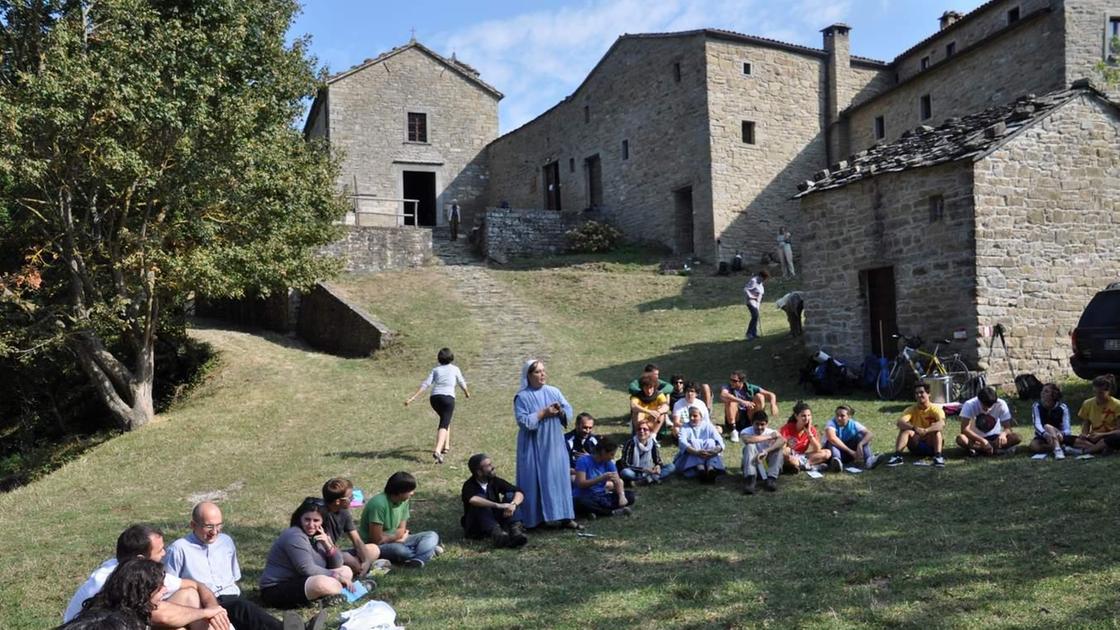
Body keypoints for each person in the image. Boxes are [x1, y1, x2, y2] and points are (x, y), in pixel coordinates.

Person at [164, 502, 325, 630]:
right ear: (193, 525)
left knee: (248, 613)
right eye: (208, 527)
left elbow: (233, 577)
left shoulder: (226, 542)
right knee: (243, 609)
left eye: (218, 525)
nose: (214, 532)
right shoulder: (179, 549)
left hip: (231, 596)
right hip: (205, 603)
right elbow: (170, 588)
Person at [64, 524, 230, 629]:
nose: (165, 554)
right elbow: (162, 615)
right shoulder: (107, 582)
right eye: (160, 551)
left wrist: (214, 612)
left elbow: (195, 585)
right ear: (140, 560)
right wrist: (205, 612)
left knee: (188, 595)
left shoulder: (139, 574)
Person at [514, 358, 580, 529]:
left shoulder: (554, 391)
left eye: (543, 371)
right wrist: (543, 413)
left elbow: (569, 411)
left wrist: (560, 411)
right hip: (532, 445)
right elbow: (524, 422)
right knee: (533, 480)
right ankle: (534, 519)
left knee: (558, 477)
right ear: (528, 376)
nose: (542, 374)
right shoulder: (522, 397)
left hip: (554, 443)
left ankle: (564, 515)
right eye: (537, 371)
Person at [259, 499, 354, 609]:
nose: (311, 525)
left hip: (304, 579)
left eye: (316, 520)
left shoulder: (319, 535)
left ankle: (334, 593)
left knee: (346, 571)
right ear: (300, 519)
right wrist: (335, 576)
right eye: (307, 520)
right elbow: (306, 569)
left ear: (322, 521)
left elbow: (337, 564)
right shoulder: (294, 536)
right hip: (277, 588)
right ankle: (340, 593)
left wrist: (328, 545)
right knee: (323, 583)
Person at [359, 471, 442, 568]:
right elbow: (376, 540)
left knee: (431, 535)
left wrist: (395, 537)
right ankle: (426, 551)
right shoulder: (378, 505)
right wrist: (397, 538)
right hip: (377, 546)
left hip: (397, 540)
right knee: (401, 551)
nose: (412, 493)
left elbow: (402, 529)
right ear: (399, 491)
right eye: (410, 491)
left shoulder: (404, 501)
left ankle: (419, 560)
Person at [405, 347, 470, 464]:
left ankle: (446, 446)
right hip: (448, 399)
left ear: (439, 358)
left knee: (445, 419)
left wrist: (413, 398)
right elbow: (461, 382)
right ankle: (437, 450)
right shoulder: (455, 369)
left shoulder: (436, 370)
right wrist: (466, 393)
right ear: (451, 358)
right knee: (444, 424)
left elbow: (426, 384)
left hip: (434, 399)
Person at [61, 558, 167, 630]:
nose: (165, 590)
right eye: (159, 588)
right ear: (142, 594)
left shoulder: (96, 611)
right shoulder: (120, 625)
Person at [461, 454, 528, 549]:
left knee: (510, 495)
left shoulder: (494, 481)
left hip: (495, 518)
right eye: (488, 465)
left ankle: (516, 531)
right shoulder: (469, 485)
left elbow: (518, 492)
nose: (493, 467)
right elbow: (473, 500)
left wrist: (513, 504)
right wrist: (498, 505)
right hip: (477, 525)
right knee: (480, 501)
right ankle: (498, 536)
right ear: (479, 472)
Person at [318, 478, 380, 577]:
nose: (353, 498)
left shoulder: (343, 512)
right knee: (347, 559)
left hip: (335, 553)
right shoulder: (319, 516)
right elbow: (322, 550)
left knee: (374, 549)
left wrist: (366, 561)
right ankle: (353, 570)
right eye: (350, 497)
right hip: (322, 558)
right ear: (338, 501)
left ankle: (358, 568)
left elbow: (356, 540)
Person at [887, 383, 947, 467]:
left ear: (928, 394)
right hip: (916, 444)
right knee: (905, 431)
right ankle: (897, 456)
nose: (919, 395)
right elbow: (900, 422)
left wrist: (926, 430)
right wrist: (914, 428)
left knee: (936, 431)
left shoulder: (936, 409)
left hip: (931, 444)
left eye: (921, 392)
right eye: (916, 393)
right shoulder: (911, 409)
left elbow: (942, 424)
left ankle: (938, 457)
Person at [572, 438, 635, 517]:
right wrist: (601, 478)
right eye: (611, 454)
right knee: (580, 502)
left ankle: (593, 512)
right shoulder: (583, 461)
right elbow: (581, 484)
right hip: (585, 496)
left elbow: (617, 481)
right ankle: (611, 512)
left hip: (601, 496)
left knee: (630, 496)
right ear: (603, 451)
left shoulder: (609, 463)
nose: (612, 457)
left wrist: (621, 495)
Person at [956, 386, 1021, 456]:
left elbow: (1008, 428)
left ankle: (980, 450)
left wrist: (1003, 434)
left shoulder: (1001, 404)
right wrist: (983, 441)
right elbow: (964, 429)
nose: (987, 409)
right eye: (984, 406)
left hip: (995, 438)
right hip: (976, 438)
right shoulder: (969, 405)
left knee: (1017, 437)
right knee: (961, 439)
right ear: (979, 400)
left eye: (990, 406)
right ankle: (995, 450)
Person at [719, 370, 779, 443]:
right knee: (730, 400)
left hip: (749, 415)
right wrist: (743, 401)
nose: (731, 382)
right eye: (730, 380)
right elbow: (723, 394)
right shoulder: (727, 387)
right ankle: (733, 430)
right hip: (736, 417)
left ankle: (757, 423)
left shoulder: (750, 387)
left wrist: (773, 404)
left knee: (760, 397)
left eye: (734, 380)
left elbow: (771, 394)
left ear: (742, 381)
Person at [674, 406, 726, 483]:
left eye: (695, 416)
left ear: (701, 416)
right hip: (691, 456)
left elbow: (720, 442)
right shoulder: (685, 427)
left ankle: (710, 470)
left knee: (711, 442)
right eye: (690, 416)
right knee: (695, 442)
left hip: (710, 455)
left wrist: (713, 452)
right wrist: (696, 452)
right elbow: (682, 442)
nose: (692, 418)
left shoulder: (708, 426)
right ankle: (701, 470)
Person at [740, 411, 785, 494]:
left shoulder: (771, 431)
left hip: (766, 465)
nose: (759, 427)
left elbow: (782, 440)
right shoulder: (745, 431)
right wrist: (770, 437)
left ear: (766, 424)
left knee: (778, 449)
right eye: (757, 424)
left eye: (762, 424)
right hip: (753, 464)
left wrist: (766, 451)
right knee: (749, 446)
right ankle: (750, 481)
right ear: (752, 423)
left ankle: (771, 479)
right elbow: (748, 439)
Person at [824, 405, 881, 471]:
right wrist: (850, 451)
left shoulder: (854, 424)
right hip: (833, 452)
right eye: (837, 415)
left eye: (842, 416)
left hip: (849, 453)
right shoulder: (831, 423)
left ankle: (869, 460)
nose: (839, 418)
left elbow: (869, 434)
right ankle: (836, 462)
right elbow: (832, 438)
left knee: (861, 437)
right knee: (832, 443)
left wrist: (860, 444)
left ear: (849, 417)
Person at [1074, 374, 1120, 455]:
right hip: (1094, 437)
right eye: (1095, 392)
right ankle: (1100, 448)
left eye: (1101, 393)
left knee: (1115, 439)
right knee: (1068, 439)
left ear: (1109, 391)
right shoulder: (1087, 403)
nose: (1098, 396)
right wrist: (1084, 434)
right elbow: (1086, 423)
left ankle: (1085, 451)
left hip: (1110, 436)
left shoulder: (1117, 405)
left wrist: (1101, 434)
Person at [618, 421, 676, 485]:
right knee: (625, 472)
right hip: (635, 471)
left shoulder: (652, 443)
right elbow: (625, 464)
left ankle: (642, 481)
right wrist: (643, 469)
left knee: (671, 466)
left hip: (649, 470)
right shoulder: (630, 443)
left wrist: (658, 466)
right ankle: (651, 479)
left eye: (645, 429)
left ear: (650, 432)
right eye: (639, 429)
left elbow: (657, 460)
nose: (641, 431)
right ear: (636, 431)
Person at [780, 401, 832, 473]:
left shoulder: (811, 429)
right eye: (803, 416)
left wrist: (809, 433)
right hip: (790, 456)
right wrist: (789, 453)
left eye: (809, 415)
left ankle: (800, 466)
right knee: (787, 453)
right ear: (796, 416)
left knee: (827, 452)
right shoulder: (787, 428)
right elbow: (783, 449)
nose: (807, 418)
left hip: (802, 456)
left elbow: (817, 449)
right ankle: (810, 466)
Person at [1030, 383, 1074, 458]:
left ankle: (1057, 448)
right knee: (1034, 446)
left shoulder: (1062, 408)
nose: (1042, 394)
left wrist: (1061, 434)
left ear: (1054, 395)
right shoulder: (1037, 406)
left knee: (1048, 427)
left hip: (1059, 435)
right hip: (1043, 435)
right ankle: (1060, 448)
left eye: (1046, 391)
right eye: (1042, 391)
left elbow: (1067, 429)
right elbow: (1037, 424)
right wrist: (1045, 434)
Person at [630, 371, 671, 437]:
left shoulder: (659, 395)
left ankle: (653, 436)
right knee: (636, 412)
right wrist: (649, 411)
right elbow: (633, 406)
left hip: (653, 421)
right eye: (646, 388)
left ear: (654, 387)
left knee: (662, 413)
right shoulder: (638, 395)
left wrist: (658, 412)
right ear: (642, 387)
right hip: (640, 421)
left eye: (651, 387)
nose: (649, 391)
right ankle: (638, 435)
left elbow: (666, 406)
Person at [743, 269, 769, 340]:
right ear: (760, 276)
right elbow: (746, 289)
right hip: (751, 302)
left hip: (757, 303)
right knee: (755, 316)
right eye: (764, 278)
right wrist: (751, 296)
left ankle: (754, 333)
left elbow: (760, 292)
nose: (764, 280)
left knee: (756, 317)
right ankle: (749, 334)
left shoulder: (760, 282)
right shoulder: (753, 281)